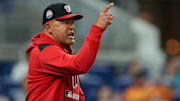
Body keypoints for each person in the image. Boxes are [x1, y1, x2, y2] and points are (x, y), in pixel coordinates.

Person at [25, 2, 114, 101]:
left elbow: (75, 94)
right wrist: (98, 29)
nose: (71, 27)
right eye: (65, 22)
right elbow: (80, 65)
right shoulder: (43, 50)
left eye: (72, 22)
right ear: (48, 28)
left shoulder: (65, 53)